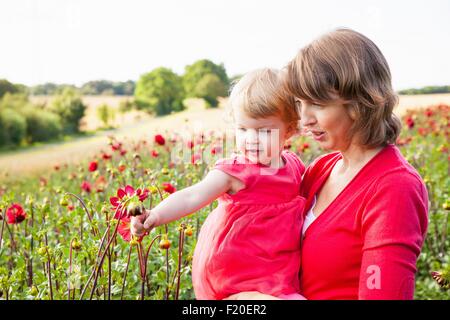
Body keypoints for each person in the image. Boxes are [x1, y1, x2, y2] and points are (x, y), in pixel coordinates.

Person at [225, 28, 429, 300]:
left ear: (360, 101)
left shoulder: (394, 187)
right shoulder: (322, 168)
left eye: (317, 103)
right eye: (299, 103)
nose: (304, 118)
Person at [131, 68, 306, 300]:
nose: (251, 139)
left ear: (290, 130)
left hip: (274, 268)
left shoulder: (294, 166)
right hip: (236, 272)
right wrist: (156, 215)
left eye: (263, 131)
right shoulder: (234, 172)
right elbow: (192, 196)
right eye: (243, 129)